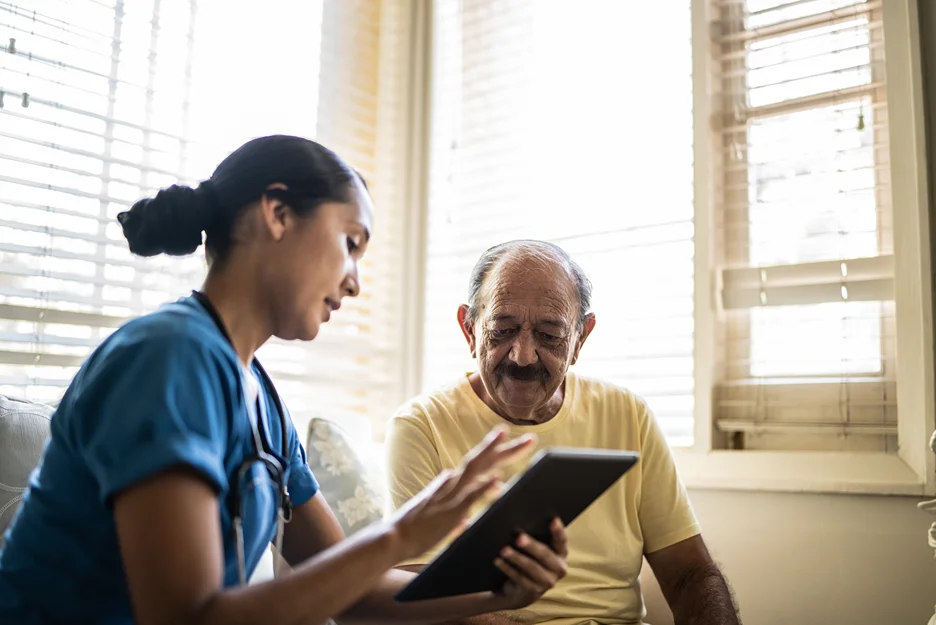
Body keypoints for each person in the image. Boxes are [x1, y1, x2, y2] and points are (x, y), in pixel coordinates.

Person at [0, 136, 569, 625]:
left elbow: (350, 591)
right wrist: (402, 535)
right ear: (277, 214)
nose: (355, 284)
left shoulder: (262, 401)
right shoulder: (168, 358)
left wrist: (492, 588)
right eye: (350, 244)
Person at [386, 240, 740, 625]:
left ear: (580, 339)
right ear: (469, 330)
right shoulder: (421, 427)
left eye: (550, 335)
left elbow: (690, 573)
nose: (523, 355)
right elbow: (417, 606)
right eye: (501, 330)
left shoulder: (629, 414)